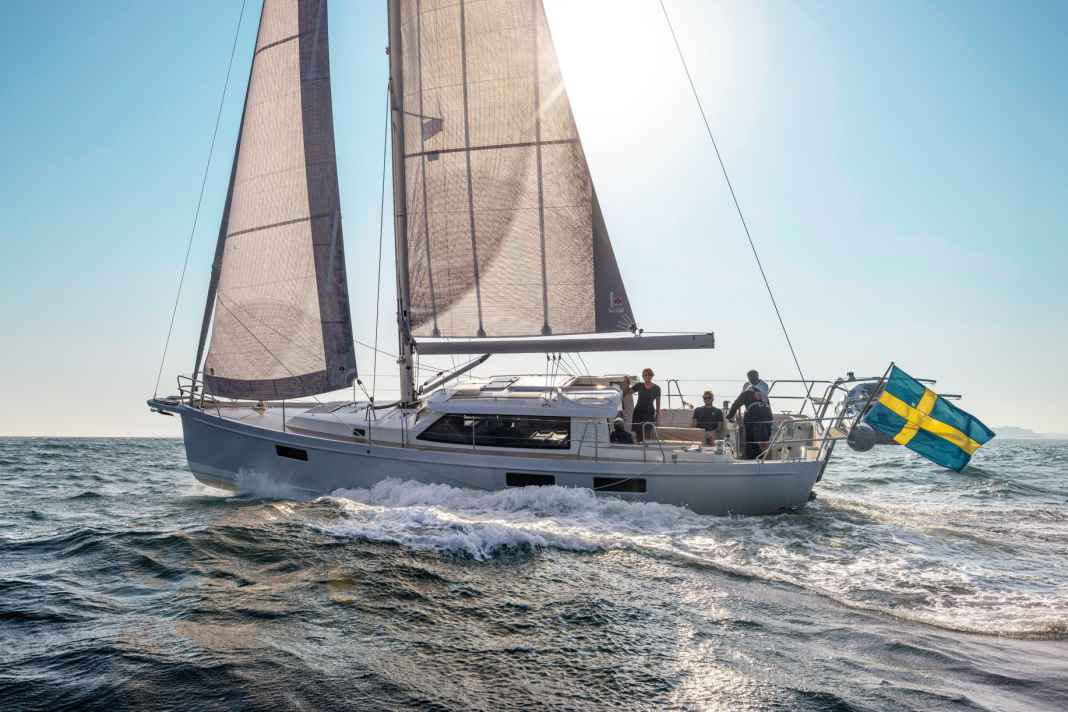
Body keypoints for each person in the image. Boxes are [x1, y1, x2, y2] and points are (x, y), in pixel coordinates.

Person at [728, 387, 773, 459]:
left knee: (751, 440)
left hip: (755, 416)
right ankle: (766, 459)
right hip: (768, 417)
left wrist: (729, 416)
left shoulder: (746, 393)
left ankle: (751, 457)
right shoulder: (763, 395)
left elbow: (736, 404)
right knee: (764, 441)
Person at [623, 368, 661, 443]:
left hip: (649, 413)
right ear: (643, 376)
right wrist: (628, 384)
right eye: (645, 375)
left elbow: (658, 404)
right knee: (638, 435)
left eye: (648, 375)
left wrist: (657, 417)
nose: (647, 377)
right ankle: (639, 448)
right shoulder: (639, 385)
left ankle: (647, 449)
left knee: (647, 435)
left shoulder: (657, 388)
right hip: (638, 412)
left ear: (652, 376)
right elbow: (627, 392)